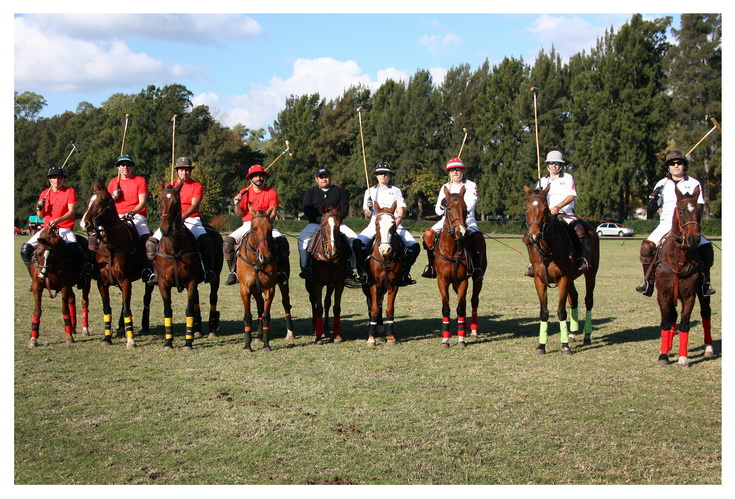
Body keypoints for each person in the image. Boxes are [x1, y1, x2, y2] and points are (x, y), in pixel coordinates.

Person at [635, 149, 716, 297]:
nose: (676, 165)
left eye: (679, 163)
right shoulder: (662, 184)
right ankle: (648, 282)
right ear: (668, 167)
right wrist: (652, 201)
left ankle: (705, 283)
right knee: (646, 247)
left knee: (706, 248)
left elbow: (699, 207)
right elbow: (653, 208)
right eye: (672, 163)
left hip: (688, 224)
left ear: (684, 165)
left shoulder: (693, 183)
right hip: (666, 224)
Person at [145, 157, 217, 285]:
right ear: (177, 171)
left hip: (192, 219)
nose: (185, 172)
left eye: (187, 170)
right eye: (182, 170)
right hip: (171, 222)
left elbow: (194, 205)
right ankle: (155, 273)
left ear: (190, 171)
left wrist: (182, 218)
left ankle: (207, 270)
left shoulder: (196, 186)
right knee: (150, 243)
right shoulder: (169, 187)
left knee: (206, 240)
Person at [19, 167, 91, 288]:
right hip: (47, 229)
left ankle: (79, 276)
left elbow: (71, 212)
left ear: (63, 179)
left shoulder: (69, 191)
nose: (57, 180)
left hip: (64, 228)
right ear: (49, 179)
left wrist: (57, 220)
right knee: (25, 249)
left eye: (59, 178)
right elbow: (40, 216)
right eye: (54, 178)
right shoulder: (44, 194)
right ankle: (33, 277)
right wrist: (39, 207)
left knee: (75, 249)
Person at [523, 150, 591, 276]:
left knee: (580, 231)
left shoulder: (567, 178)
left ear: (561, 165)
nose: (554, 165)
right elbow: (537, 199)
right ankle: (533, 263)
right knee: (529, 236)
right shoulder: (542, 181)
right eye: (551, 163)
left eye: (557, 163)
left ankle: (581, 259)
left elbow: (571, 196)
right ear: (547, 165)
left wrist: (558, 207)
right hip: (547, 216)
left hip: (565, 214)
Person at [353, 162, 420, 286]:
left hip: (394, 225)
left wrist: (395, 225)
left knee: (415, 247)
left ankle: (404, 274)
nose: (383, 176)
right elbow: (367, 214)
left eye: (386, 173)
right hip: (375, 225)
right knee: (357, 244)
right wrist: (369, 208)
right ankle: (363, 273)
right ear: (376, 176)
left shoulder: (396, 191)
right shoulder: (369, 191)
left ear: (389, 175)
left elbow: (400, 210)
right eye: (380, 173)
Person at [222, 164, 289, 286]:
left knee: (282, 242)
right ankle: (233, 272)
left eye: (261, 175)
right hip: (248, 224)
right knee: (227, 243)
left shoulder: (271, 192)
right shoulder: (244, 192)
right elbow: (238, 213)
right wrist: (237, 203)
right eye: (255, 176)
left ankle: (281, 272)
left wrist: (267, 225)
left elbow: (273, 212)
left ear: (264, 177)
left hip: (266, 224)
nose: (259, 178)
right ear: (250, 178)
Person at [421, 157, 485, 280]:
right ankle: (432, 266)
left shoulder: (470, 185)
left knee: (477, 238)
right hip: (447, 220)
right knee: (428, 235)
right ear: (449, 172)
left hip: (467, 219)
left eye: (458, 169)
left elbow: (470, 205)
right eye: (452, 170)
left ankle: (477, 268)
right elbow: (438, 211)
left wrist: (455, 204)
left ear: (463, 171)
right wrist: (442, 204)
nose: (455, 172)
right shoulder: (445, 187)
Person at [297, 167, 361, 286]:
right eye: (321, 177)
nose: (324, 179)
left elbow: (344, 209)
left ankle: (352, 268)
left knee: (353, 239)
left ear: (330, 178)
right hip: (315, 224)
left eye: (326, 177)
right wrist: (322, 221)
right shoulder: (310, 192)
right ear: (316, 179)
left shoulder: (340, 191)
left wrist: (334, 220)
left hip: (335, 224)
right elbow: (308, 210)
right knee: (302, 241)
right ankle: (306, 268)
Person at [104, 154, 152, 277]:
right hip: (116, 217)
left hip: (136, 216)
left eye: (128, 165)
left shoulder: (140, 180)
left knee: (146, 239)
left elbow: (142, 202)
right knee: (98, 236)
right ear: (118, 167)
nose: (125, 167)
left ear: (132, 167)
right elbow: (107, 205)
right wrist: (113, 197)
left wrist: (131, 213)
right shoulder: (113, 182)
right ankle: (96, 266)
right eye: (122, 164)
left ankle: (147, 268)